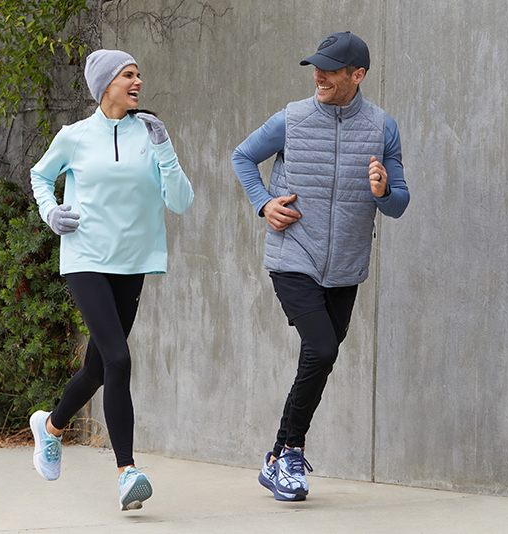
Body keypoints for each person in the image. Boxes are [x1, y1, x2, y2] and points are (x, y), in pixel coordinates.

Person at [231, 31, 409, 501]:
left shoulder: (382, 127)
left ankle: (277, 458)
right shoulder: (292, 118)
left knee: (318, 357)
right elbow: (243, 156)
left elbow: (399, 204)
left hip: (345, 268)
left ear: (358, 75)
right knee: (323, 350)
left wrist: (383, 191)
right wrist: (263, 203)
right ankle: (291, 451)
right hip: (294, 256)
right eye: (317, 67)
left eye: (330, 69)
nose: (319, 75)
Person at [28, 49, 194, 511]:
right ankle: (127, 471)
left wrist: (163, 147)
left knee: (99, 368)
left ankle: (51, 426)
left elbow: (181, 201)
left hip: (133, 261)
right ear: (106, 86)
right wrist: (51, 211)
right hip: (85, 256)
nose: (138, 81)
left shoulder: (151, 133)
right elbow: (40, 176)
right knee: (119, 359)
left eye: (139, 74)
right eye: (128, 75)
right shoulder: (75, 136)